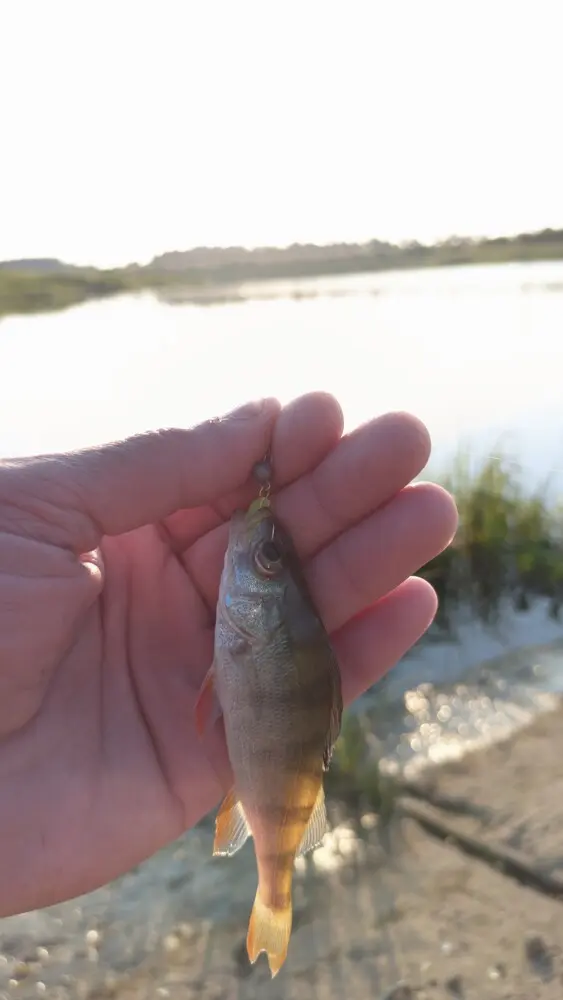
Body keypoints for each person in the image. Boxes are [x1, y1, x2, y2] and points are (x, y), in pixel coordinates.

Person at [0, 392, 457, 918]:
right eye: (270, 556)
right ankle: (275, 895)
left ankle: (273, 897)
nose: (255, 546)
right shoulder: (250, 623)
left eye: (267, 559)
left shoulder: (248, 624)